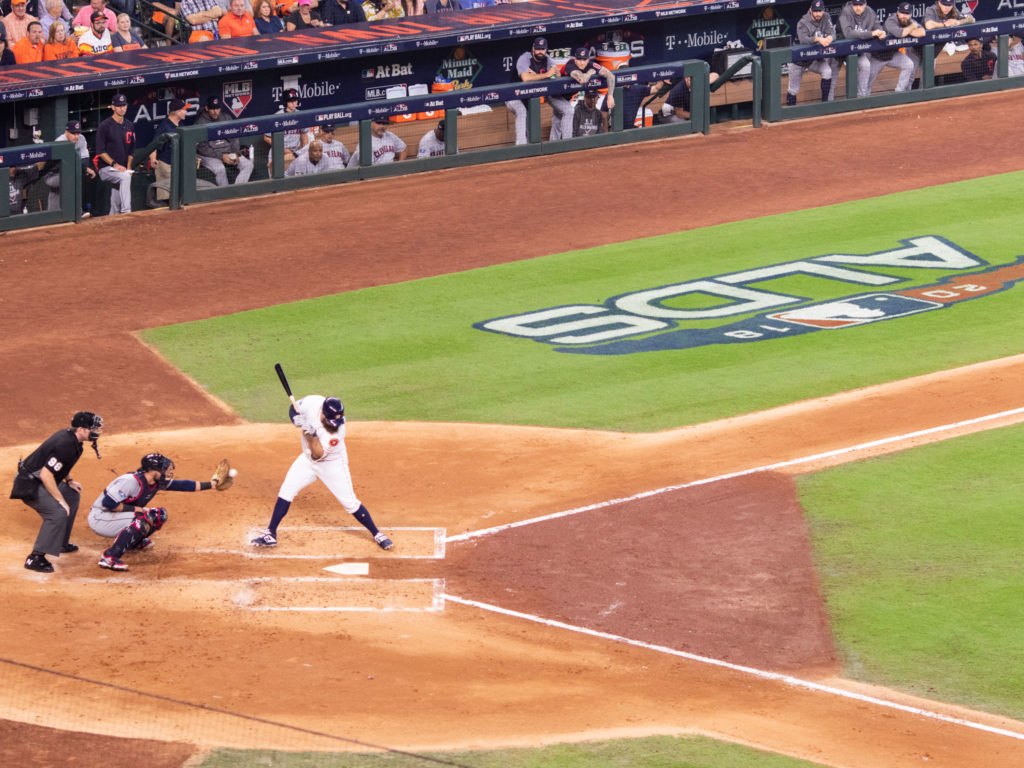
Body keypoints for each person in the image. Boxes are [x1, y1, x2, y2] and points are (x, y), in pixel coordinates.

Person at [251, 395, 393, 551]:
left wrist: (308, 432)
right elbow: (294, 408)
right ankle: (270, 533)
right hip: (307, 460)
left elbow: (316, 453)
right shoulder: (313, 402)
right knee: (286, 490)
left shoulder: (337, 434)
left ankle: (377, 534)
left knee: (350, 503)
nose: (335, 425)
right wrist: (296, 420)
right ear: (323, 414)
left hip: (331, 465)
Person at [89, 452, 230, 571]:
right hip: (100, 518)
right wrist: (134, 509)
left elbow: (183, 485)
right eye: (162, 469)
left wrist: (213, 484)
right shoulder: (131, 481)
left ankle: (133, 542)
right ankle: (109, 557)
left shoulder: (155, 482)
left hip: (117, 515)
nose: (166, 471)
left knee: (159, 515)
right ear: (151, 470)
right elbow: (108, 503)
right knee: (141, 519)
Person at [9, 411, 104, 573]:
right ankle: (35, 558)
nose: (96, 432)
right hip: (28, 484)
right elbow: (47, 474)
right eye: (92, 428)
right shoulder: (65, 444)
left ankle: (60, 543)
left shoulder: (73, 441)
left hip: (39, 479)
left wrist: (70, 480)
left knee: (72, 495)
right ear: (81, 429)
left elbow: (59, 466)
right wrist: (60, 501)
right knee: (58, 512)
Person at [504, 37, 572, 145]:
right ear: (533, 48)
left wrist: (537, 75)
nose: (540, 51)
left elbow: (557, 74)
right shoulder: (525, 58)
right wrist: (546, 75)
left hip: (531, 96)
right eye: (538, 49)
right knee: (522, 112)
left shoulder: (547, 58)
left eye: (543, 49)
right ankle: (521, 147)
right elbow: (525, 78)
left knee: (531, 133)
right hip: (514, 94)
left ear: (546, 50)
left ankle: (561, 144)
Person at [839, 0, 899, 97]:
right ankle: (828, 102)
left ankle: (861, 98)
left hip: (859, 50)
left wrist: (880, 31)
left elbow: (877, 25)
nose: (858, 7)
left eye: (860, 5)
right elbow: (848, 34)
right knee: (832, 76)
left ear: (865, 4)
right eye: (855, 5)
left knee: (866, 65)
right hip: (841, 50)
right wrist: (871, 33)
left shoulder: (869, 11)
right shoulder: (846, 11)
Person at [787, 0, 840, 104]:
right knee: (793, 89)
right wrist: (819, 39)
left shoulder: (826, 17)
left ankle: (825, 104)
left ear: (823, 10)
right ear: (810, 10)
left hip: (813, 59)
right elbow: (803, 40)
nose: (817, 14)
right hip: (798, 59)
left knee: (827, 71)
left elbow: (832, 31)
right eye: (815, 11)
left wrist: (830, 37)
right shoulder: (803, 22)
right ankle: (790, 113)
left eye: (819, 11)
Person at [194, 95, 253, 187]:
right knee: (220, 168)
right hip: (210, 155)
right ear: (206, 108)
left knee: (248, 165)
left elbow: (234, 138)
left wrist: (235, 153)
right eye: (212, 109)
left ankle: (236, 190)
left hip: (228, 151)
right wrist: (221, 156)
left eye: (217, 109)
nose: (215, 112)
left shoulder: (226, 117)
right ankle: (225, 192)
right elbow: (202, 148)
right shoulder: (200, 123)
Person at [95, 92, 135, 214]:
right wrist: (115, 165)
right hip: (106, 168)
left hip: (121, 168)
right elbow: (100, 151)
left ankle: (113, 218)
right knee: (125, 177)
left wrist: (128, 166)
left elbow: (131, 150)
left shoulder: (129, 125)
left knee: (116, 199)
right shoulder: (104, 126)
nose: (122, 108)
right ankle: (127, 211)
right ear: (113, 107)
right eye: (119, 106)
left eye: (124, 105)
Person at [44, 118, 95, 214]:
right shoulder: (60, 142)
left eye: (78, 133)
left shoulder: (81, 139)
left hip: (67, 172)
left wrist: (85, 168)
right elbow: (58, 166)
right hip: (52, 175)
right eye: (73, 133)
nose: (76, 136)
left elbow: (84, 161)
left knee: (69, 177)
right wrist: (82, 167)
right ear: (66, 132)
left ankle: (56, 213)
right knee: (70, 178)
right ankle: (76, 211)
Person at [148, 97, 188, 202]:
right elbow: (153, 145)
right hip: (166, 166)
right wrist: (152, 159)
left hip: (177, 165)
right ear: (176, 112)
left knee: (179, 198)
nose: (186, 112)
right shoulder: (164, 127)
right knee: (167, 200)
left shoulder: (180, 124)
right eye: (184, 109)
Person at [882, 2, 925, 92]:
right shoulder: (891, 20)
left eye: (907, 13)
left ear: (910, 15)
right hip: (878, 55)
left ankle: (899, 93)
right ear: (897, 12)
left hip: (893, 54)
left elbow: (922, 32)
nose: (904, 16)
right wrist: (911, 28)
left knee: (909, 65)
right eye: (902, 13)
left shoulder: (910, 22)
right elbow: (899, 33)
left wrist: (907, 31)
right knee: (868, 80)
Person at [265, 88, 309, 173]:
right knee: (276, 180)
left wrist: (304, 151)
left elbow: (304, 134)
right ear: (286, 102)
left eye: (295, 101)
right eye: (291, 101)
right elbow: (266, 137)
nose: (294, 103)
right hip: (278, 152)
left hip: (294, 152)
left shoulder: (301, 115)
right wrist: (282, 149)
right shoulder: (277, 116)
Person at [562, 46, 616, 112]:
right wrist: (591, 72)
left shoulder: (592, 65)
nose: (582, 63)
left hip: (571, 95)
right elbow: (582, 79)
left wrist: (610, 96)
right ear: (575, 59)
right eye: (579, 59)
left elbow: (610, 76)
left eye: (584, 60)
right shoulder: (570, 64)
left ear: (588, 60)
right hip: (558, 95)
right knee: (567, 114)